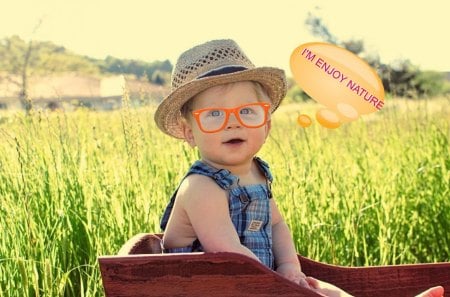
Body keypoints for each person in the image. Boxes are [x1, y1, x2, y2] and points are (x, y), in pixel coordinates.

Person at [154, 39, 444, 297]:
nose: (233, 122)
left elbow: (276, 224)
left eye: (247, 112)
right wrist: (283, 285)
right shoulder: (201, 188)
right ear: (189, 132)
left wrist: (291, 267)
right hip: (214, 288)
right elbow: (232, 257)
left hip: (254, 284)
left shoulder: (256, 173)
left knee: (326, 289)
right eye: (214, 114)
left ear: (266, 125)